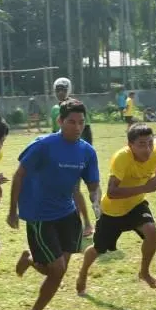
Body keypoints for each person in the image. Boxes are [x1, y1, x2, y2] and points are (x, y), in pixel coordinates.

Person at [8, 98, 100, 310]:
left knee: (59, 269)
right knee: (57, 269)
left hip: (67, 214)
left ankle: (30, 261)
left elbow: (93, 185)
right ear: (60, 121)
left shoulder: (87, 152)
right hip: (40, 215)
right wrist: (12, 210)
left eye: (81, 122)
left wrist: (98, 205)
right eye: (71, 122)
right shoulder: (43, 145)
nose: (77, 127)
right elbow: (19, 175)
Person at [76, 124, 156, 295]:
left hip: (136, 205)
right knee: (98, 249)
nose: (147, 149)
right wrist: (146, 187)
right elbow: (112, 192)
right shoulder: (122, 158)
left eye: (149, 143)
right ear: (130, 145)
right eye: (141, 144)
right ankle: (83, 273)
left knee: (152, 231)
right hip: (112, 211)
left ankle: (144, 272)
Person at [50, 76, 99, 234]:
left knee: (77, 190)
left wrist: (86, 156)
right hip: (61, 157)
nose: (60, 92)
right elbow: (54, 134)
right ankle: (77, 223)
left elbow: (87, 130)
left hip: (77, 155)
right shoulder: (55, 110)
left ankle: (90, 223)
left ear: (69, 90)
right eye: (58, 90)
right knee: (68, 190)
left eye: (63, 89)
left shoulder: (77, 107)